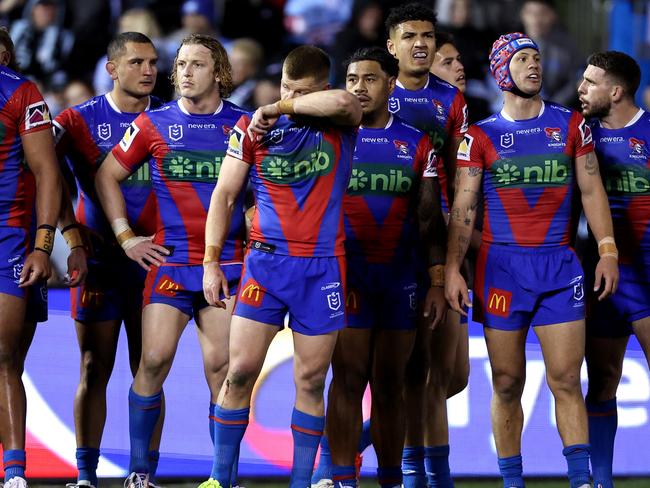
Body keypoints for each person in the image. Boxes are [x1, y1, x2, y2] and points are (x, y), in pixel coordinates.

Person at [445, 32, 619, 488]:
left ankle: (580, 480)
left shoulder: (571, 125)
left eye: (537, 58)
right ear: (502, 71)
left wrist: (607, 251)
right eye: (522, 59)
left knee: (565, 379)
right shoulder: (478, 136)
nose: (533, 66)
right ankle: (512, 482)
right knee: (506, 382)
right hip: (501, 271)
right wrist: (451, 269)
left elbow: (591, 190)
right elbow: (463, 210)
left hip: (560, 269)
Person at [200, 44, 361, 488]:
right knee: (239, 373)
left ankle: (301, 483)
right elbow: (224, 196)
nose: (290, 97)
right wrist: (211, 262)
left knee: (310, 381)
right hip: (266, 267)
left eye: (301, 92)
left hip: (322, 268)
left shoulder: (340, 123)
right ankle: (219, 479)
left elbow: (346, 102)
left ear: (318, 89)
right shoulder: (251, 128)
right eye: (286, 87)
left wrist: (281, 103)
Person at [95, 33, 247, 488]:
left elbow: (262, 190)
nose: (183, 72)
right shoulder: (152, 123)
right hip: (170, 262)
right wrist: (125, 237)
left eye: (196, 64)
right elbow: (106, 175)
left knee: (223, 369)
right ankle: (140, 473)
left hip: (226, 266)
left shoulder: (244, 124)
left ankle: (224, 477)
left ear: (218, 72)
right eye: (180, 64)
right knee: (154, 359)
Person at [324, 45, 445, 488]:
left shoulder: (416, 142)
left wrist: (435, 281)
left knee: (391, 384)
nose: (359, 87)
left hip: (400, 280)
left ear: (390, 84)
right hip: (347, 276)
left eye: (370, 78)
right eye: (352, 79)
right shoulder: (329, 137)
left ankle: (391, 480)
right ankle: (341, 479)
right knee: (349, 379)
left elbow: (431, 221)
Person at [53, 32, 165, 488]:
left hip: (157, 259)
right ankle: (85, 476)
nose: (149, 70)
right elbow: (39, 166)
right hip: (99, 258)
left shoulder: (172, 116)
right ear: (112, 69)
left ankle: (142, 474)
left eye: (154, 62)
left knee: (149, 368)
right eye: (137, 62)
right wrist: (67, 232)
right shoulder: (78, 120)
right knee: (92, 367)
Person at [384, 4, 468, 487]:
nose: (421, 43)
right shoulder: (373, 90)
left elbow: (463, 179)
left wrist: (457, 251)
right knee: (409, 373)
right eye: (410, 35)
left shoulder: (451, 102)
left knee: (447, 375)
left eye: (428, 36)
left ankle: (422, 470)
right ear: (392, 45)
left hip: (438, 247)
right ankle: (417, 476)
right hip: (384, 251)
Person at [577, 51, 650, 488]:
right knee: (602, 380)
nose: (581, 90)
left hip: (646, 275)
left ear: (616, 91)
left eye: (591, 82)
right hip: (602, 277)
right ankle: (600, 482)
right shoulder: (577, 136)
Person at [0, 34, 62, 488]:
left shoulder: (21, 93)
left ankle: (15, 472)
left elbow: (47, 172)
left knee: (5, 356)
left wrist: (43, 245)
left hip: (9, 238)